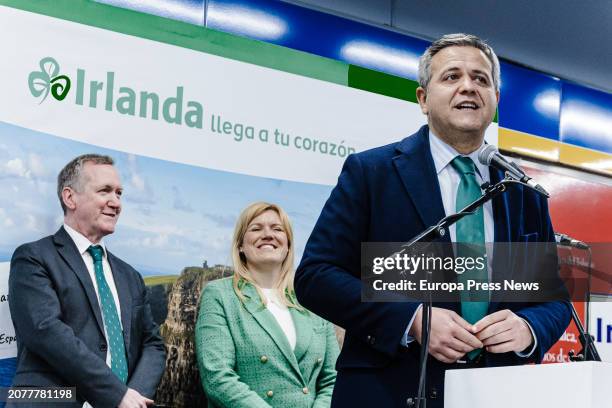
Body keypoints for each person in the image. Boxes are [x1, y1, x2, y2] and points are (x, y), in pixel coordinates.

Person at [295, 34, 571, 408]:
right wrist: (411, 320)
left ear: (496, 100)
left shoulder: (521, 190)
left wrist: (528, 328)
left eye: (481, 79)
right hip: (388, 392)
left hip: (495, 392)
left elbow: (553, 299)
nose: (468, 87)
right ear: (423, 99)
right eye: (451, 76)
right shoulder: (372, 172)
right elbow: (316, 276)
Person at [9, 154, 165, 408]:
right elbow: (45, 331)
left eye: (119, 193)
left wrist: (132, 398)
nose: (116, 202)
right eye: (105, 191)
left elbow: (152, 343)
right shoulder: (33, 258)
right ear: (70, 197)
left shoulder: (130, 276)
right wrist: (116, 395)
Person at [196, 202, 338, 408]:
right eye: (256, 228)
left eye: (278, 229)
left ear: (288, 244)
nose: (268, 234)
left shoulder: (312, 299)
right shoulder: (220, 295)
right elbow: (217, 377)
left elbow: (333, 378)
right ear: (240, 245)